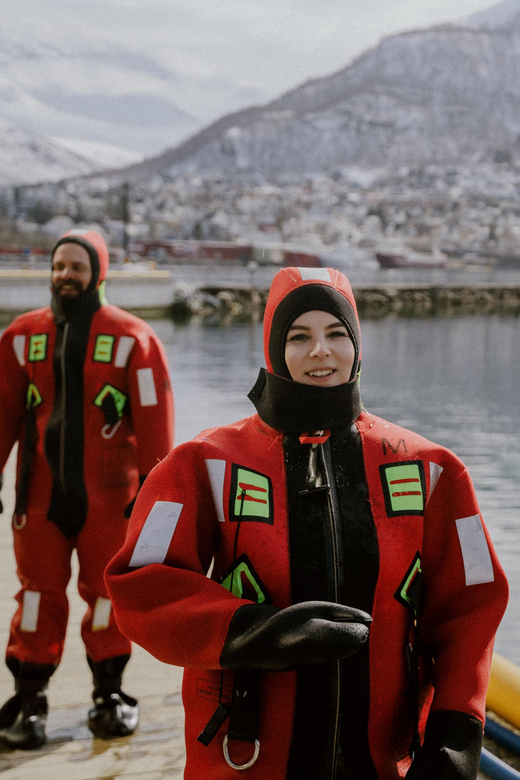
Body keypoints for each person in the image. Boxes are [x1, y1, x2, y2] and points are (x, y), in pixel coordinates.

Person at [105, 266, 508, 779]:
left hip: (383, 759)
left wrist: (456, 732)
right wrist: (253, 633)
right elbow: (140, 584)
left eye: (336, 334)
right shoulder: (201, 464)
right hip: (245, 756)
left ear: (358, 345)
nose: (321, 350)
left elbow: (472, 605)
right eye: (299, 336)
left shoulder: (432, 470)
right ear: (273, 348)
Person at [0, 229, 174, 749]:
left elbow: (155, 422)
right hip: (38, 501)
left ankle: (109, 697)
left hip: (112, 503)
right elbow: (3, 413)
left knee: (106, 599)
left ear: (98, 272)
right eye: (58, 266)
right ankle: (28, 704)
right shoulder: (19, 339)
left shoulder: (134, 340)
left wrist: (157, 495)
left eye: (76, 266)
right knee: (35, 599)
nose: (65, 276)